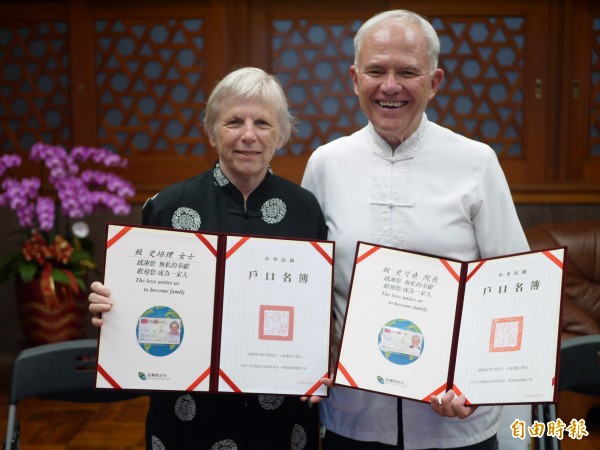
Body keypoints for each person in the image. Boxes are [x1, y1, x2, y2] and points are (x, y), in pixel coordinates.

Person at [301, 9, 530, 450]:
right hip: (355, 416)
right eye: (376, 71)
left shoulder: (476, 162)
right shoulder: (326, 164)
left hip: (454, 415)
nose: (390, 86)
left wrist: (477, 384)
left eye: (407, 71)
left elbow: (514, 286)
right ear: (354, 78)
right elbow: (310, 286)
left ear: (434, 82)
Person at [89, 66, 327, 450]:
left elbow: (317, 309)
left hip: (280, 411)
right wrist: (113, 307)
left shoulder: (305, 210)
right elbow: (144, 304)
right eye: (234, 121)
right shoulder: (167, 206)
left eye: (262, 123)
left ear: (281, 134)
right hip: (188, 409)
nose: (248, 135)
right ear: (212, 130)